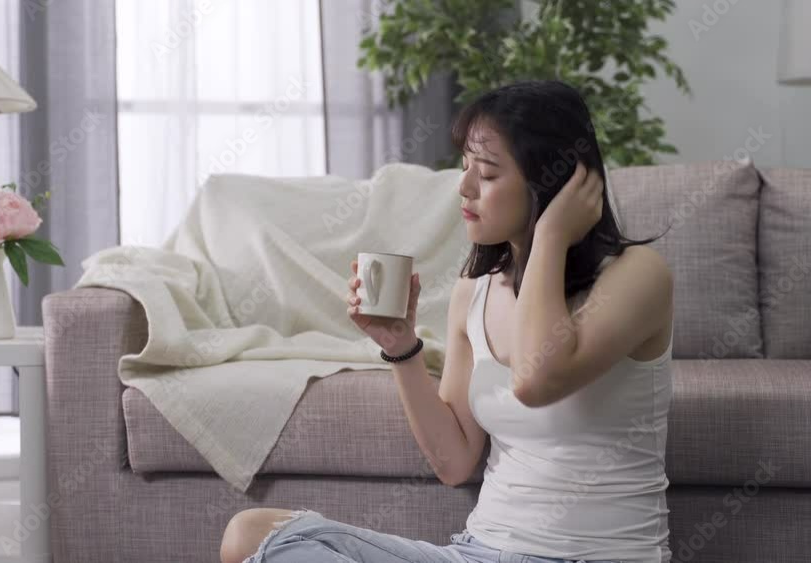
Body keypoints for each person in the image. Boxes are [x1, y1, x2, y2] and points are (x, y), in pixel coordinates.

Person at [219, 80, 674, 563]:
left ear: (551, 182)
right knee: (251, 534)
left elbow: (536, 380)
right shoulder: (474, 291)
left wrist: (550, 237)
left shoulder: (637, 276)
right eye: (465, 167)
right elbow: (454, 462)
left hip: (594, 556)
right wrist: (400, 345)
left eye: (488, 173)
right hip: (479, 552)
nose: (465, 187)